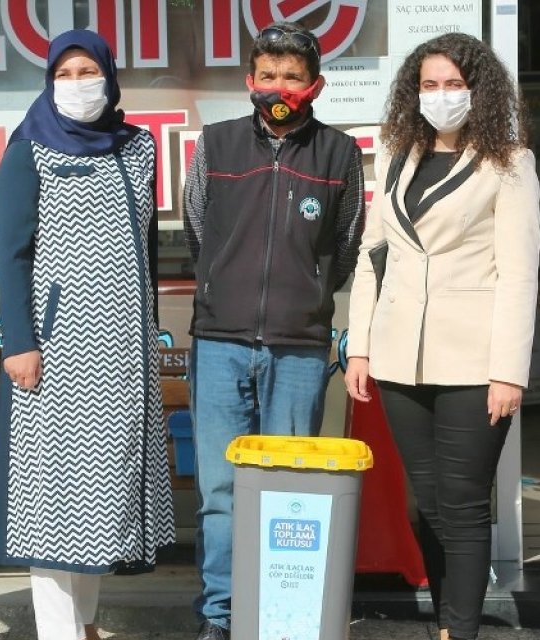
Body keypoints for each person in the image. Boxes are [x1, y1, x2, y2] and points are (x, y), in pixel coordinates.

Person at [344, 32, 540, 640]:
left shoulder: (510, 163)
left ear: (478, 91)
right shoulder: (395, 153)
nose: (441, 95)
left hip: (474, 362)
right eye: (430, 85)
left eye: (454, 84)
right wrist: (360, 345)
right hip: (401, 358)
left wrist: (509, 370)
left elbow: (518, 272)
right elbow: (373, 253)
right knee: (422, 503)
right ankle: (444, 623)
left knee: (461, 503)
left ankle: (460, 629)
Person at [0, 29, 175, 640]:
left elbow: (145, 249)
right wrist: (18, 341)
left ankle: (87, 623)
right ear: (48, 81)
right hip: (54, 352)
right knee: (55, 503)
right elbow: (11, 253)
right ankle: (59, 632)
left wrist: (148, 328)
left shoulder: (138, 148)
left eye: (86, 71)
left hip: (122, 354)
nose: (76, 85)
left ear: (109, 76)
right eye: (63, 74)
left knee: (104, 493)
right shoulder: (28, 148)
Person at [181, 20, 365, 640]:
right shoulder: (217, 145)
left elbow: (343, 245)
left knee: (290, 492)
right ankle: (221, 614)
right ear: (250, 80)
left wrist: (304, 294)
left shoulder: (339, 153)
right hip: (221, 342)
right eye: (268, 74)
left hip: (299, 349)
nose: (279, 85)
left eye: (292, 75)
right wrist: (228, 291)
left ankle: (280, 615)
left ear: (314, 84)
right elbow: (201, 227)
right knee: (222, 492)